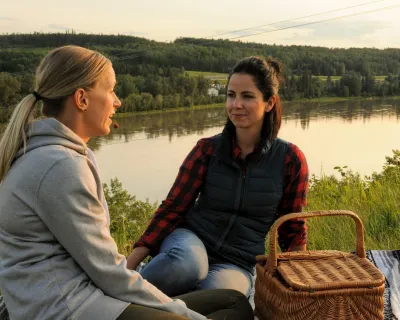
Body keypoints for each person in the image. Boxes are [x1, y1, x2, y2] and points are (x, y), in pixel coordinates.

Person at [0, 45, 254, 320]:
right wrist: (185, 316)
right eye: (111, 90)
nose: (117, 101)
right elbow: (109, 273)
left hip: (79, 297)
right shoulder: (60, 165)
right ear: (82, 98)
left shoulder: (42, 152)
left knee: (233, 302)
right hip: (69, 309)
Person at [127, 56, 309, 298]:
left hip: (238, 261)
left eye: (247, 96)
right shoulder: (208, 150)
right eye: (231, 95)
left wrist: (303, 286)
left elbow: (291, 227)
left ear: (269, 103)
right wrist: (126, 267)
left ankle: (163, 310)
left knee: (222, 296)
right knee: (187, 267)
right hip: (190, 242)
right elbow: (172, 209)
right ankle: (127, 296)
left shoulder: (290, 160)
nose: (236, 104)